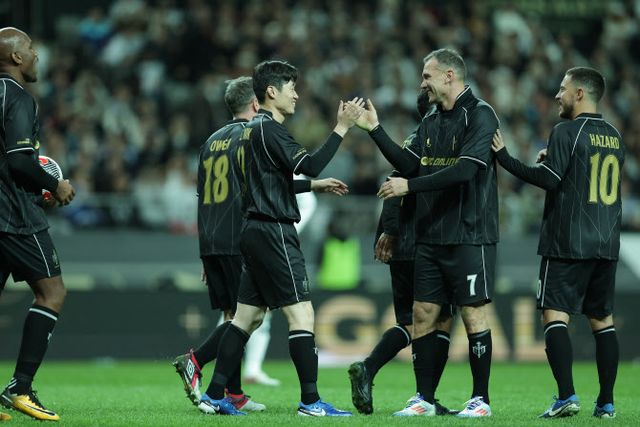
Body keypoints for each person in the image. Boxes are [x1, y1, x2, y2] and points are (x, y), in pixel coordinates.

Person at [172, 76, 349, 414]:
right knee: (250, 317)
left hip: (213, 237)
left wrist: (205, 250)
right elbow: (260, 188)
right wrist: (311, 182)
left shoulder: (211, 141)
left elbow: (205, 195)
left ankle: (228, 392)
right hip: (244, 232)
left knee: (242, 316)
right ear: (256, 102)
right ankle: (201, 364)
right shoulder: (251, 134)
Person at [352, 48, 499, 417]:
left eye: (427, 76)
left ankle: (480, 399)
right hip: (430, 235)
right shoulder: (431, 121)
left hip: (468, 233)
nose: (422, 84)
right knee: (422, 314)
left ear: (449, 75)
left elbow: (465, 171)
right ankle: (424, 399)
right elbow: (408, 164)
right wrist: (375, 129)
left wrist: (410, 187)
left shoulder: (480, 115)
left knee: (472, 315)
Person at [492, 67, 623, 419]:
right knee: (602, 321)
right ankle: (606, 403)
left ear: (580, 93)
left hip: (568, 240)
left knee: (554, 315)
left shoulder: (566, 130)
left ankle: (566, 396)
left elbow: (549, 181)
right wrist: (556, 160)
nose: (557, 95)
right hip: (607, 243)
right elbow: (586, 176)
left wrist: (505, 158)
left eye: (563, 89)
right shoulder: (614, 135)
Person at [348, 90, 457, 416]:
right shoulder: (430, 138)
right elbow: (397, 178)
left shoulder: (416, 137)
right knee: (441, 320)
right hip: (424, 242)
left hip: (404, 244)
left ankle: (370, 368)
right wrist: (392, 229)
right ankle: (426, 397)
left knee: (409, 323)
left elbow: (397, 176)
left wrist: (390, 230)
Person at [0, 27, 76, 421]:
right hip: (15, 216)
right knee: (52, 292)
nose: (36, 54)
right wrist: (54, 185)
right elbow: (19, 161)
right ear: (15, 57)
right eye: (30, 48)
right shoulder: (18, 97)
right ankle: (21, 387)